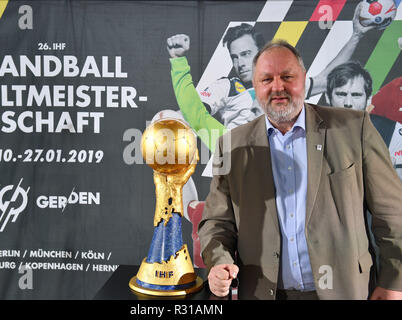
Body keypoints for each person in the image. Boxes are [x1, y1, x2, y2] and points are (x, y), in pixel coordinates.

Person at [198, 39, 402, 300]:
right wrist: (218, 262)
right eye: (266, 79)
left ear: (304, 79)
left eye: (287, 76)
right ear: (256, 87)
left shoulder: (355, 128)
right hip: (264, 293)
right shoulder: (231, 145)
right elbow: (217, 222)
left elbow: (392, 213)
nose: (277, 87)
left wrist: (394, 281)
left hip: (346, 291)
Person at [167, 2, 376, 178]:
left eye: (246, 54)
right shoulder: (226, 89)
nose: (240, 62)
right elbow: (195, 114)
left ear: (260, 54)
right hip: (240, 167)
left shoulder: (282, 91)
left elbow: (324, 80)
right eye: (235, 57)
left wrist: (356, 35)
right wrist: (178, 62)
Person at [326, 62, 401, 181]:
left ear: (368, 98)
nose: (348, 103)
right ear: (327, 97)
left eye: (356, 95)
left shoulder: (394, 133)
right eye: (341, 94)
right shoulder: (307, 134)